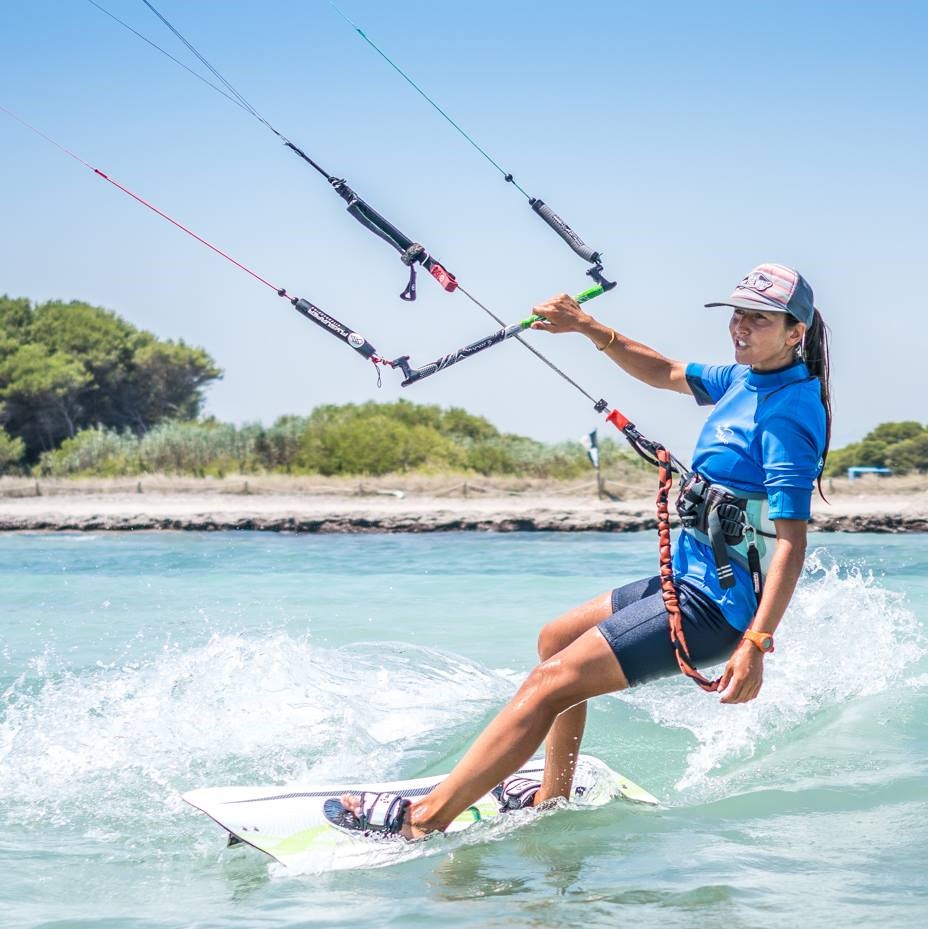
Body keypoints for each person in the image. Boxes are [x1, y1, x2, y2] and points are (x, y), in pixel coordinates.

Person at [334, 264, 832, 837]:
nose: (740, 328)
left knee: (549, 684)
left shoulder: (789, 411)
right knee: (555, 640)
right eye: (737, 315)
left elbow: (792, 542)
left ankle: (424, 819)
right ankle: (552, 797)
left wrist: (757, 643)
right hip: (689, 583)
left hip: (719, 609)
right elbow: (666, 370)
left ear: (796, 332)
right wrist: (588, 327)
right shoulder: (744, 380)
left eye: (758, 320)